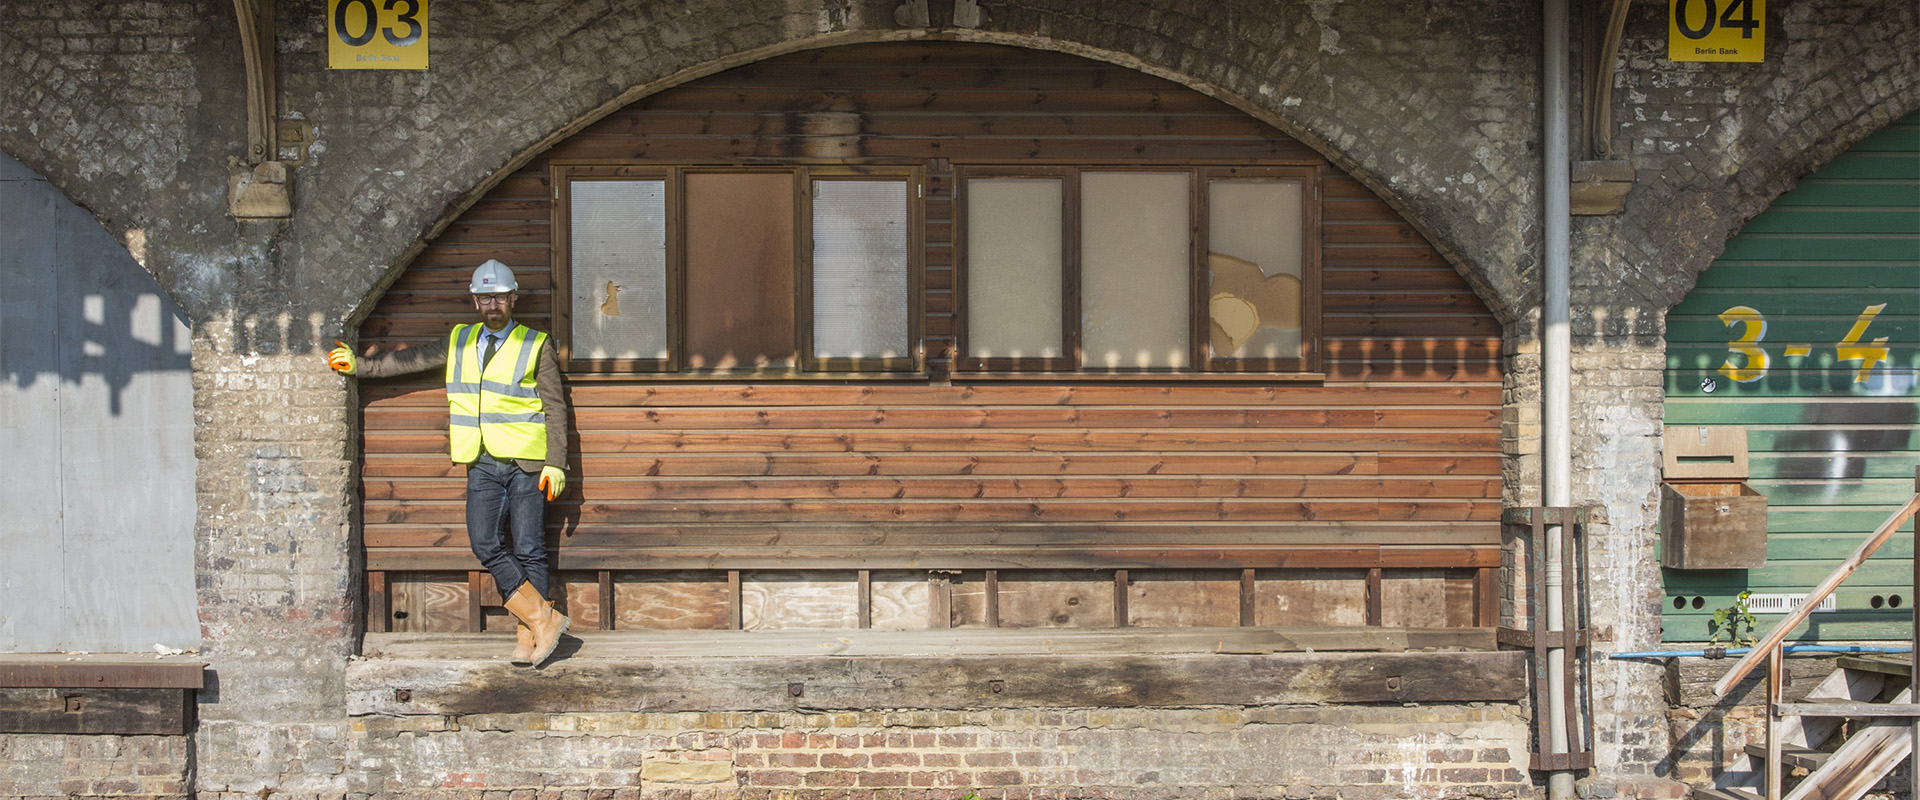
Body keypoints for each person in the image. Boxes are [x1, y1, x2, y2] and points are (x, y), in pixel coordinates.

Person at [327, 259, 572, 666]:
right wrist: (360, 367)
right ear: (475, 302)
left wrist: (556, 463)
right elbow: (410, 359)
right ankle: (542, 618)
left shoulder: (535, 342)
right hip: (481, 460)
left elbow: (555, 407)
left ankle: (528, 638)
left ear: (513, 299)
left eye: (499, 297)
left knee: (530, 549)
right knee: (485, 543)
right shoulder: (460, 340)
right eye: (484, 298)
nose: (492, 304)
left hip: (528, 461)